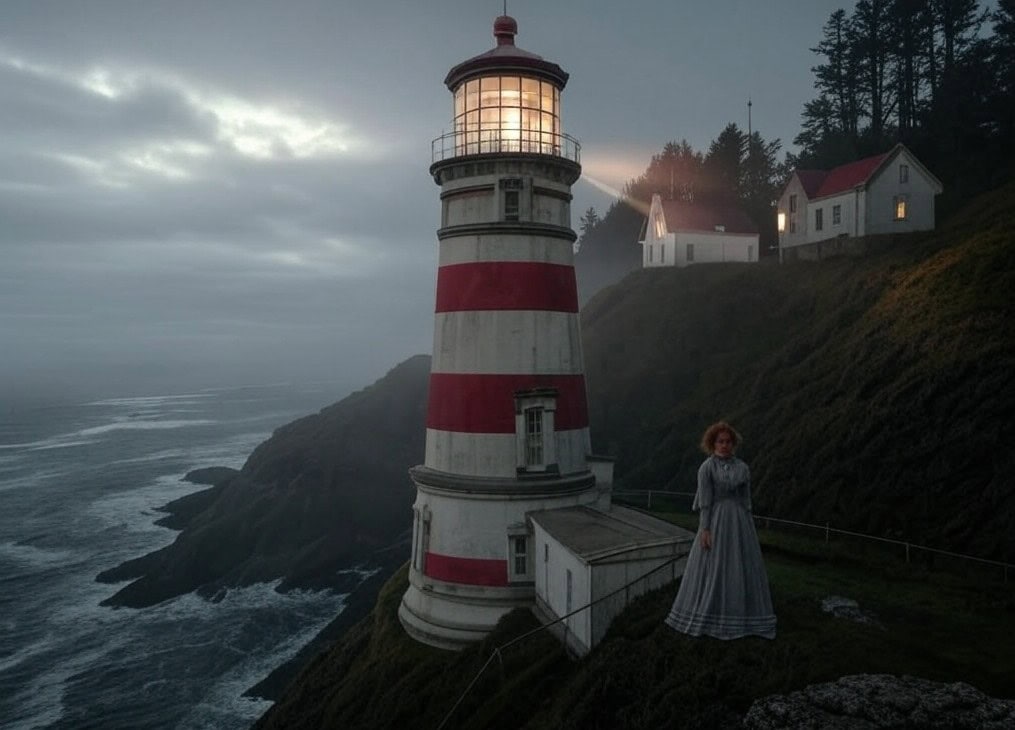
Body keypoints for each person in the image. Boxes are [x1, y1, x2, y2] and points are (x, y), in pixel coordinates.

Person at [665, 421, 776, 639]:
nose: (724, 445)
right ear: (712, 443)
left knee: (739, 563)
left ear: (733, 444)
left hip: (739, 522)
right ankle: (710, 611)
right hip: (716, 519)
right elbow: (706, 501)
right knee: (712, 565)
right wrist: (705, 529)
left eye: (728, 442)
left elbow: (746, 498)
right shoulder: (707, 468)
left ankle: (740, 613)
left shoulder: (742, 468)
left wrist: (748, 521)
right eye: (720, 441)